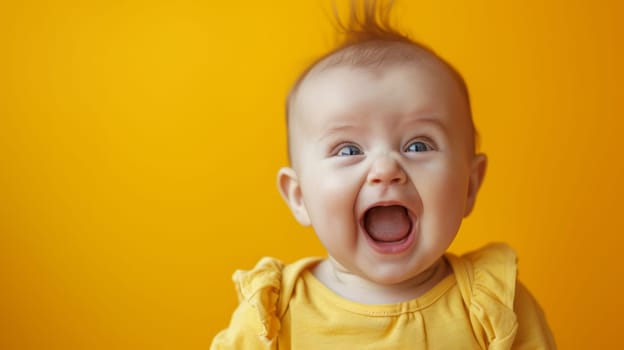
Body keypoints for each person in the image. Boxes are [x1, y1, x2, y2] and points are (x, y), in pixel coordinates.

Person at [211, 1, 555, 348]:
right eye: (349, 150)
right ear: (299, 197)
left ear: (470, 184)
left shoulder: (493, 307)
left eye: (419, 146)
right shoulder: (270, 317)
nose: (386, 169)